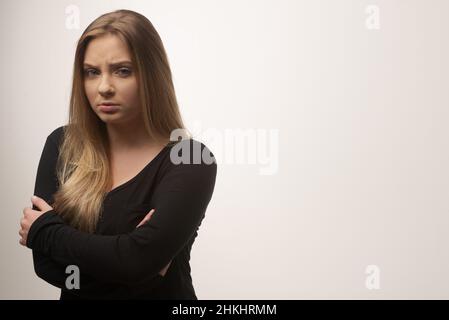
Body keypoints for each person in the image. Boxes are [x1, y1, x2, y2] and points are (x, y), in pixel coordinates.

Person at [18, 9, 217, 300]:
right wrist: (134, 266)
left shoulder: (191, 159)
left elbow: (135, 261)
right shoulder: (62, 144)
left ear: (151, 75)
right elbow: (47, 265)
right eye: (92, 72)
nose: (104, 87)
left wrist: (45, 232)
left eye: (122, 70)